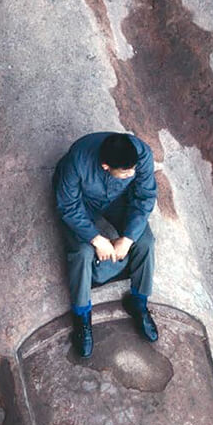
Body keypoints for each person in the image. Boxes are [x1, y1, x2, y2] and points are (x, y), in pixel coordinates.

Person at [53, 132, 159, 357]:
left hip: (117, 200)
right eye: (126, 172)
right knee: (82, 253)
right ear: (104, 166)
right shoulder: (77, 161)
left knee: (146, 241)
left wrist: (127, 239)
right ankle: (82, 316)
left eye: (133, 169)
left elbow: (145, 196)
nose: (132, 174)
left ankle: (138, 303)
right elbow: (68, 206)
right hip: (81, 202)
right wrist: (97, 239)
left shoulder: (141, 155)